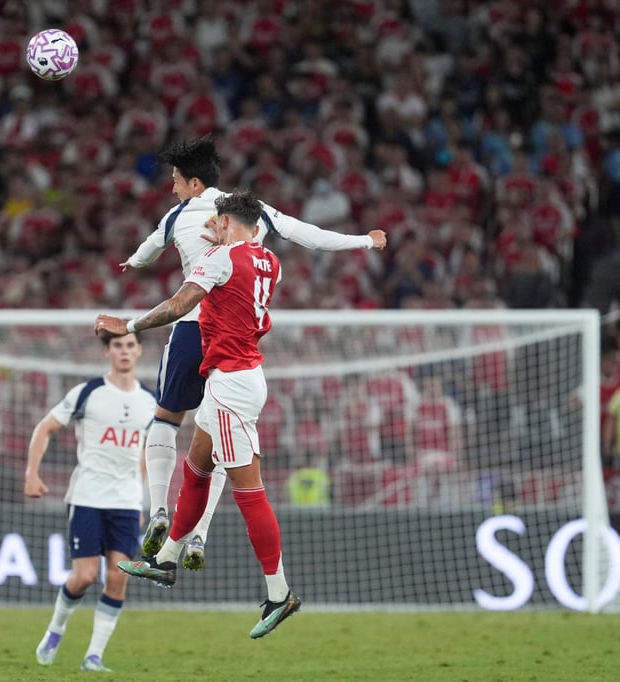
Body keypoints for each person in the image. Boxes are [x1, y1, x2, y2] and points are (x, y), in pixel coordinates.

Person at [121, 135, 386, 568]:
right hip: (237, 342)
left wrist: (131, 262)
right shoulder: (250, 210)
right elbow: (309, 236)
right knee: (225, 437)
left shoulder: (177, 216)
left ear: (191, 183)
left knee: (167, 420)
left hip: (193, 328)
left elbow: (148, 252)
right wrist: (363, 240)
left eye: (174, 180)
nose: (172, 188)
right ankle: (199, 535)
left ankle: (158, 512)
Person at [97, 190, 300, 639]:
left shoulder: (220, 260)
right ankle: (166, 560)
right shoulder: (269, 260)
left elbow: (178, 306)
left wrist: (126, 327)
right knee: (196, 468)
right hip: (240, 375)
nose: (214, 226)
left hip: (230, 385)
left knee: (251, 492)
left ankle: (279, 592)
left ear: (226, 222)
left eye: (218, 221)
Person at [25, 332, 157, 672]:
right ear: (107, 352)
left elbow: (146, 452)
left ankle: (93, 657)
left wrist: (140, 498)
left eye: (130, 345)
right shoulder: (88, 392)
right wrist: (32, 474)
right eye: (118, 346)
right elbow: (45, 428)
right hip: (87, 495)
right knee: (83, 576)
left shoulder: (150, 401)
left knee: (118, 576)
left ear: (139, 351)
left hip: (126, 501)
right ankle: (55, 631)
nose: (125, 351)